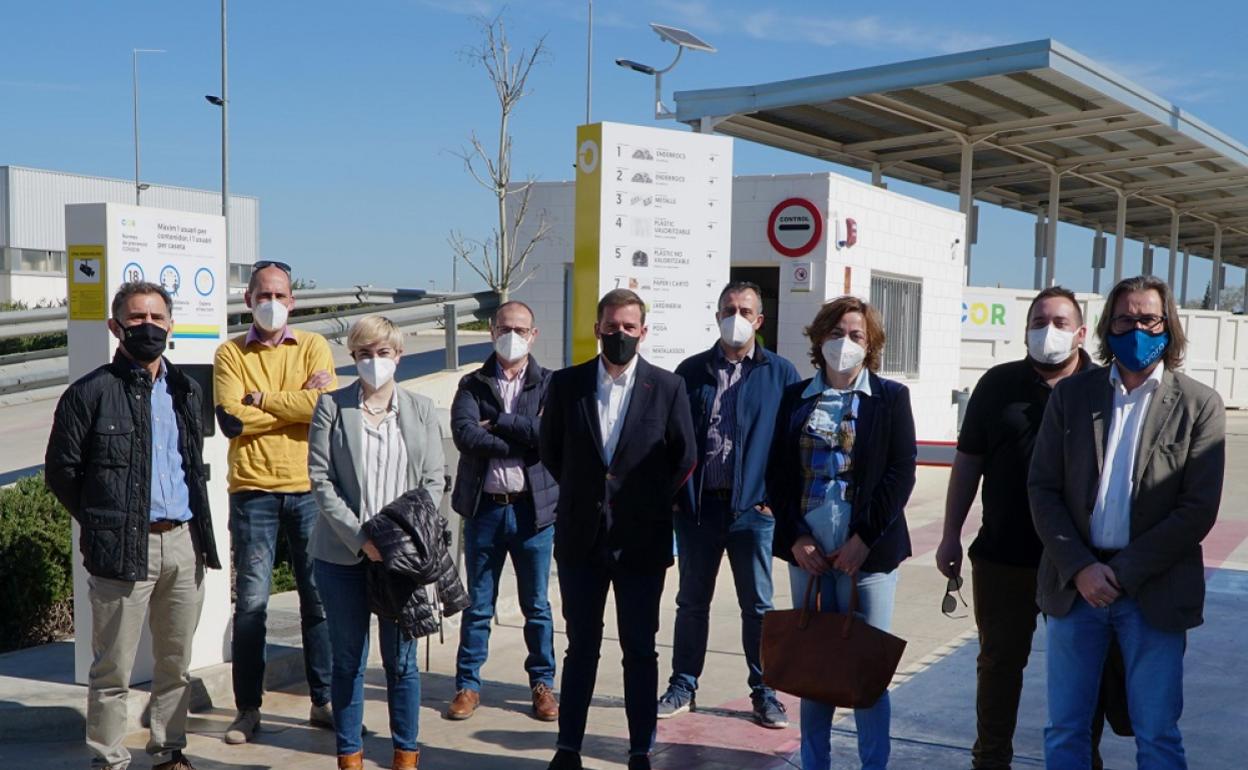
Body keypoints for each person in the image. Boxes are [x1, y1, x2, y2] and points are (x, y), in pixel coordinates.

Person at [1029, 275, 1224, 769]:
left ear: (1167, 326)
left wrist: (1124, 573)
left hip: (1152, 594)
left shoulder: (1200, 405)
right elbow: (1043, 489)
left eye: (1147, 319)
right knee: (1066, 731)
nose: (1135, 328)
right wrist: (1081, 568)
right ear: (1107, 327)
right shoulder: (1071, 397)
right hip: (1077, 590)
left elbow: (1195, 511)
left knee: (1157, 734)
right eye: (1124, 319)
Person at [45, 282, 221, 770]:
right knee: (112, 670)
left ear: (171, 324)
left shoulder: (187, 389)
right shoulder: (90, 392)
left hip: (184, 545)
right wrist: (106, 523)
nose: (148, 326)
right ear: (114, 325)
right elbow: (62, 472)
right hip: (124, 548)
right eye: (136, 317)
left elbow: (191, 465)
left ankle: (169, 751)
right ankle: (109, 759)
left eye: (157, 317)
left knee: (175, 664)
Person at [937, 286, 1103, 770]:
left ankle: (1079, 759)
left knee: (1080, 672)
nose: (1047, 331)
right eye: (1038, 321)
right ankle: (990, 760)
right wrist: (951, 533)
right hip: (1003, 556)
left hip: (1078, 563)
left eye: (1058, 322)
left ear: (1080, 333)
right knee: (998, 666)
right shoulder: (997, 384)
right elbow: (968, 463)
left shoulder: (1103, 388)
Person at [538, 289, 697, 770]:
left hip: (641, 542)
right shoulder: (567, 385)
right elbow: (552, 451)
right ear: (597, 329)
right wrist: (590, 494)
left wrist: (643, 501)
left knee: (640, 650)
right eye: (612, 326)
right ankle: (568, 748)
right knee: (580, 646)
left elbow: (684, 455)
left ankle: (639, 748)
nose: (620, 334)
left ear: (643, 332)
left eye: (630, 327)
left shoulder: (667, 388)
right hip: (580, 540)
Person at [768, 296, 916, 770]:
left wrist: (863, 540)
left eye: (855, 335)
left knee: (865, 669)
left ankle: (874, 764)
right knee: (815, 667)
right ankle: (815, 763)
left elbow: (900, 473)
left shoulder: (891, 398)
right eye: (835, 334)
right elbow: (777, 473)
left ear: (870, 344)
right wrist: (796, 537)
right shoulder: (795, 398)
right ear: (818, 340)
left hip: (866, 559)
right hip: (808, 557)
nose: (845, 343)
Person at [307, 315, 447, 770]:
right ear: (353, 357)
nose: (374, 361)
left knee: (402, 662)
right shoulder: (332, 407)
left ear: (398, 356)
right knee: (347, 659)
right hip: (342, 554)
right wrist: (363, 538)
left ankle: (406, 752)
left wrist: (398, 539)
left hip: (401, 557)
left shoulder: (421, 408)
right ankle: (350, 753)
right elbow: (321, 480)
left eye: (383, 353)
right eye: (365, 353)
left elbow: (433, 480)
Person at [657, 281, 799, 727]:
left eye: (744, 310)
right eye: (727, 309)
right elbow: (673, 440)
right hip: (700, 511)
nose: (735, 316)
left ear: (759, 320)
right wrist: (677, 498)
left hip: (753, 513)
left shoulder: (781, 373)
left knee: (758, 606)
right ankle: (683, 684)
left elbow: (793, 444)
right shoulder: (691, 371)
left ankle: (764, 691)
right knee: (691, 602)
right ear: (717, 315)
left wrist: (774, 503)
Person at [212, 260, 335, 743]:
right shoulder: (230, 354)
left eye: (281, 295)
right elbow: (232, 420)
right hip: (253, 492)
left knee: (318, 600)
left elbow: (321, 406)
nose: (272, 304)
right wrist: (289, 402)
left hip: (307, 489)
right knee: (252, 607)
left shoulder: (313, 345)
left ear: (293, 300)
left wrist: (260, 399)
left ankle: (322, 701)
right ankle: (248, 709)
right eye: (263, 295)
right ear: (247, 300)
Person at [446, 301, 560, 722]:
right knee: (478, 605)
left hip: (533, 513)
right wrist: (520, 438)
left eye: (521, 328)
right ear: (493, 330)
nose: (512, 334)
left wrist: (501, 424)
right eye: (505, 327)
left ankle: (542, 685)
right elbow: (465, 435)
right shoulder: (473, 384)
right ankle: (468, 685)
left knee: (537, 606)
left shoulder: (550, 384)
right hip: (485, 510)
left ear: (534, 334)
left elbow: (548, 437)